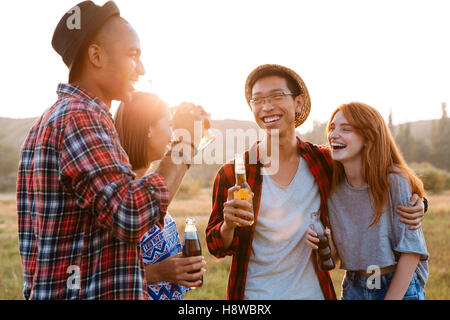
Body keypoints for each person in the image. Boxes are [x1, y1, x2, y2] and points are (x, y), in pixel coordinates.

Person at [17, 1, 203, 299]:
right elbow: (131, 214)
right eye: (133, 55)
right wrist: (185, 142)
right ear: (96, 55)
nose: (141, 69)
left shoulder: (51, 120)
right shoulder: (81, 118)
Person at [205, 64, 427, 300]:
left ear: (298, 102)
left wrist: (419, 203)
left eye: (277, 96)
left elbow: (373, 174)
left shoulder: (323, 162)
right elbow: (216, 246)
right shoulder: (232, 174)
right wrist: (228, 225)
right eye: (257, 100)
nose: (267, 106)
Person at [306, 102, 429, 300]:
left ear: (368, 138)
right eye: (332, 127)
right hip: (355, 286)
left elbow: (411, 252)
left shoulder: (394, 180)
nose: (333, 135)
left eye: (346, 129)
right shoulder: (332, 186)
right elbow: (340, 255)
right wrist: (327, 245)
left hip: (397, 285)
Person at [114, 92, 206, 300]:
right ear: (148, 130)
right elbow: (100, 274)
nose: (173, 134)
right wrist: (159, 272)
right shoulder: (119, 195)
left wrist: (180, 267)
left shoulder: (148, 187)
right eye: (169, 124)